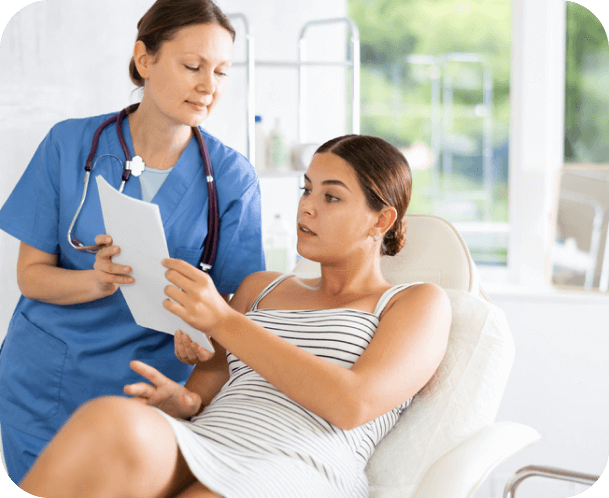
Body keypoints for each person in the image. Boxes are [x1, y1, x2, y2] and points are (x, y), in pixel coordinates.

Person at [18, 134, 452, 498]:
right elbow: (203, 393)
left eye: (331, 196)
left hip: (297, 464)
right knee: (110, 420)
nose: (308, 207)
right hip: (206, 440)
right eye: (306, 189)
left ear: (382, 220)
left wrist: (223, 322)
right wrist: (183, 402)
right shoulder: (260, 287)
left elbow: (351, 404)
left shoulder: (415, 303)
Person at [0, 0, 265, 483]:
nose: (209, 86)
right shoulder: (70, 145)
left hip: (147, 387)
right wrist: (96, 282)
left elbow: (237, 312)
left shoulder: (231, 179)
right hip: (45, 383)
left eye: (222, 72)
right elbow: (30, 276)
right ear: (145, 59)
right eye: (193, 66)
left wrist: (204, 343)